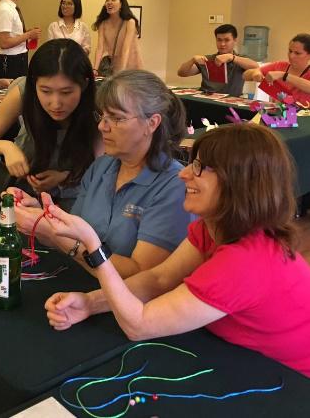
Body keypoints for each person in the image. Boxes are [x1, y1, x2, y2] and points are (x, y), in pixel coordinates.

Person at [44, 123, 310, 378]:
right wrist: (90, 303)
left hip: (290, 383)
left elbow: (138, 325)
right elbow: (160, 278)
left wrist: (92, 245)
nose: (184, 174)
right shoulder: (215, 227)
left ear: (238, 183)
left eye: (200, 167)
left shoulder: (245, 261)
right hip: (244, 359)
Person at [9, 69, 190, 278]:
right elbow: (74, 236)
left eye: (116, 118)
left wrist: (55, 234)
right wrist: (41, 217)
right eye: (102, 115)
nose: (102, 126)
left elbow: (141, 275)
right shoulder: (102, 167)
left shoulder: (175, 186)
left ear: (152, 123)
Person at [0, 39, 99, 208]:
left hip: (76, 197)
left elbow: (101, 170)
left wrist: (64, 178)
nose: (56, 103)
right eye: (45, 91)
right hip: (23, 194)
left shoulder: (98, 107)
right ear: (34, 84)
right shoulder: (24, 92)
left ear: (84, 84)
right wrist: (6, 147)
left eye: (66, 92)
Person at [177, 23, 258, 95]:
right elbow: (182, 73)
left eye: (227, 40)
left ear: (235, 40)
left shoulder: (240, 59)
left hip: (229, 102)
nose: (222, 44)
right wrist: (192, 60)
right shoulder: (208, 59)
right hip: (206, 100)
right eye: (219, 40)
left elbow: (256, 66)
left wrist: (232, 57)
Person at [0, 0, 41, 79]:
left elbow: (13, 35)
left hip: (19, 58)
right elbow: (4, 42)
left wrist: (27, 32)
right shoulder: (4, 9)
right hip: (10, 62)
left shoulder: (10, 8)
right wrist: (28, 35)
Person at [244, 33, 310, 105]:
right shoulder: (279, 66)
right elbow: (245, 75)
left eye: (297, 53)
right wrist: (256, 73)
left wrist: (284, 75)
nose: (291, 56)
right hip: (278, 111)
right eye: (290, 51)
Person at [93, 0, 143, 75]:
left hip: (131, 62)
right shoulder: (103, 23)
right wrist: (95, 69)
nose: (109, 2)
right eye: (107, 0)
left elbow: (126, 49)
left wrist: (122, 71)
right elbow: (99, 48)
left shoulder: (129, 22)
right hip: (115, 63)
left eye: (113, 0)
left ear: (121, 4)